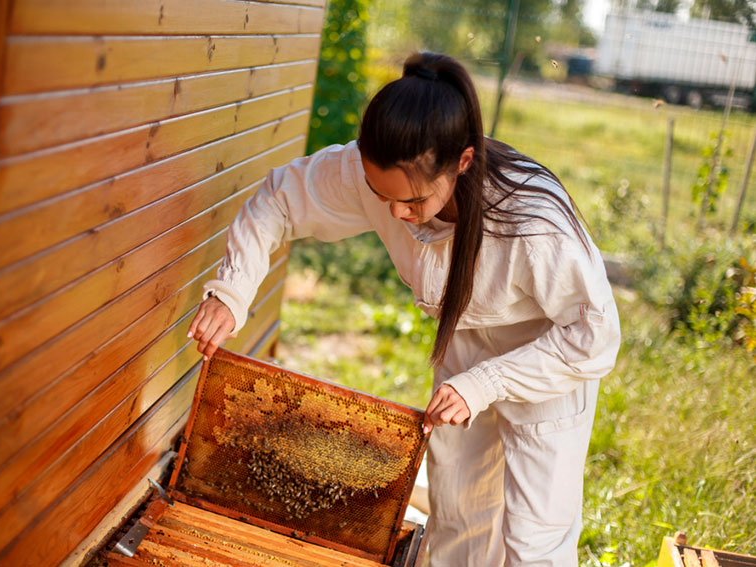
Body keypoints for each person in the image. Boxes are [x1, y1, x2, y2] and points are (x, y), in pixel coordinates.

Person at [186, 51, 620, 567]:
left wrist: (487, 383)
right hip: (462, 348)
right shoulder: (373, 170)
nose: (395, 214)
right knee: (459, 518)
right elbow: (279, 199)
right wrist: (232, 291)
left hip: (547, 361)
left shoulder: (534, 221)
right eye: (380, 194)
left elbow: (593, 336)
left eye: (412, 203)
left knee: (533, 540)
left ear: (461, 162)